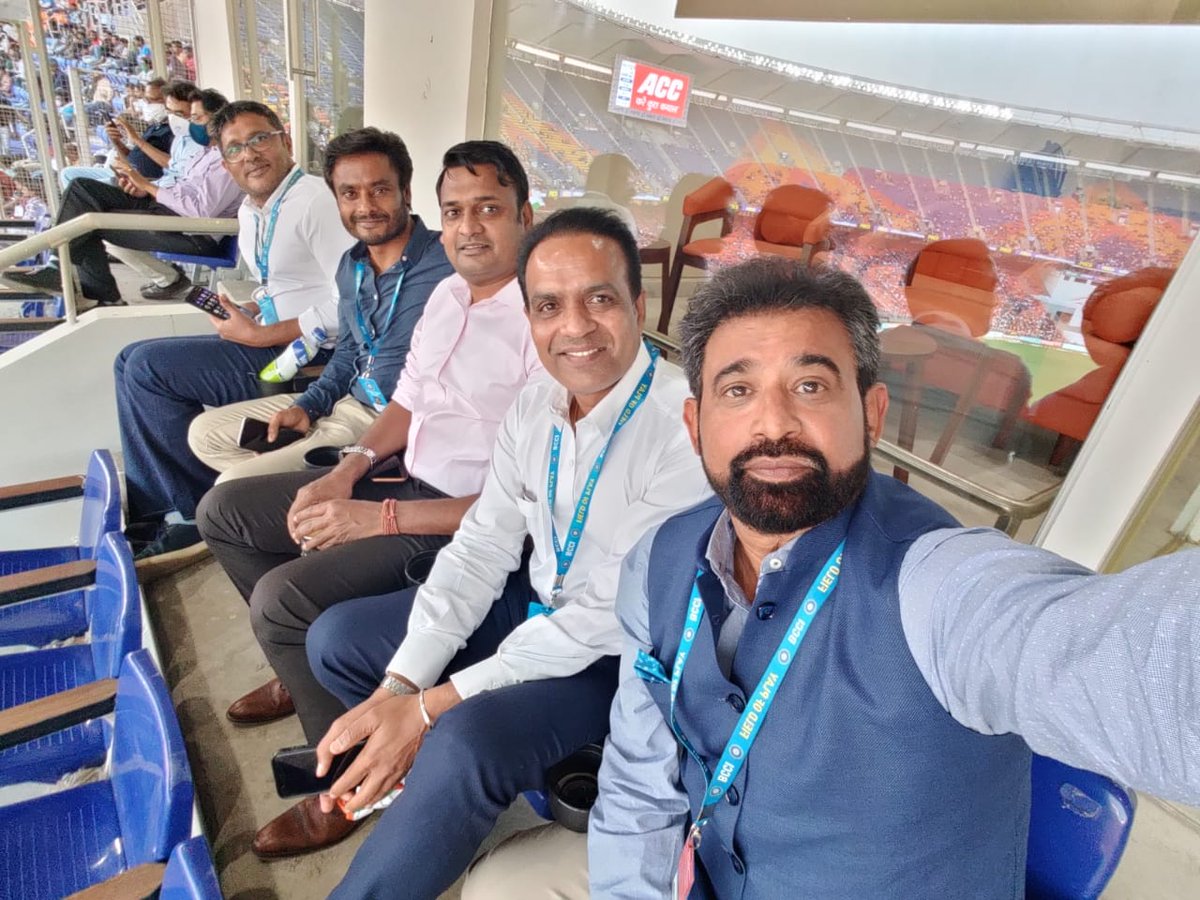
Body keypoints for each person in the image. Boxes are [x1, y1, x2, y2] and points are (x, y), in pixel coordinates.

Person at [462, 257, 1200, 899]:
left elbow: (1127, 660)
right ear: (695, 425)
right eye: (737, 391)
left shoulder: (938, 584)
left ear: (870, 414)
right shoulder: (657, 560)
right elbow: (640, 783)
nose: (774, 424)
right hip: (705, 872)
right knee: (500, 883)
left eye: (811, 386)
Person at [296, 207, 710, 898]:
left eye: (599, 299)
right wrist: (401, 690)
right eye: (549, 306)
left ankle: (418, 807)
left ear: (638, 306)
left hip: (618, 655)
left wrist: (431, 707)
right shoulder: (536, 402)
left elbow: (606, 616)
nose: (574, 327)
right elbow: (485, 543)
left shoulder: (683, 426)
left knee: (466, 740)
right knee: (338, 641)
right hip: (535, 601)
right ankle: (406, 788)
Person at [197, 139, 545, 858]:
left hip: (454, 521)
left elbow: (520, 504)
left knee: (283, 601)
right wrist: (347, 470)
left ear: (525, 216)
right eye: (455, 211)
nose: (469, 227)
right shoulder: (448, 296)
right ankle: (303, 674)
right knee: (225, 513)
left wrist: (376, 517)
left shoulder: (541, 326)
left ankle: (345, 780)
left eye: (488, 209)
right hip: (399, 475)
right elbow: (406, 403)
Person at [113, 100, 354, 562]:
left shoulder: (316, 201)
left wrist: (264, 335)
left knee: (147, 369)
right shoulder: (251, 211)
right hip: (271, 337)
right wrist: (253, 309)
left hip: (312, 356)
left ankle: (192, 514)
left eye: (260, 138)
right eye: (236, 148)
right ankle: (161, 507)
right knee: (129, 360)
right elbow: (282, 284)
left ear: (285, 141)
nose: (250, 154)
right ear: (224, 163)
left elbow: (352, 303)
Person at [186, 126, 452, 484]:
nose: (365, 207)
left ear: (405, 192)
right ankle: (294, 492)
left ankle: (289, 490)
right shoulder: (351, 266)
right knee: (204, 434)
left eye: (380, 190)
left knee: (232, 485)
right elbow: (347, 353)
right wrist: (307, 407)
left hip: (393, 421)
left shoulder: (447, 261)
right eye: (349, 194)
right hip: (348, 402)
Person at [2, 87, 242, 307]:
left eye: (197, 118)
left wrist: (147, 185)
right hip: (163, 207)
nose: (191, 124)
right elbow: (179, 183)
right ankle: (72, 277)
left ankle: (97, 292)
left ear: (217, 120)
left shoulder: (227, 160)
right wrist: (145, 187)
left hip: (191, 233)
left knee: (90, 222)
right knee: (81, 189)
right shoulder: (206, 152)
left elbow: (200, 212)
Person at [58, 77, 171, 187]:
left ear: (168, 101)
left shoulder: (172, 130)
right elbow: (130, 156)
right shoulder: (154, 126)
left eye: (154, 100)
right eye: (146, 100)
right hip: (125, 172)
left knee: (77, 185)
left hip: (140, 182)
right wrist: (116, 141)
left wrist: (136, 139)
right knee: (67, 173)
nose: (148, 104)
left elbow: (171, 163)